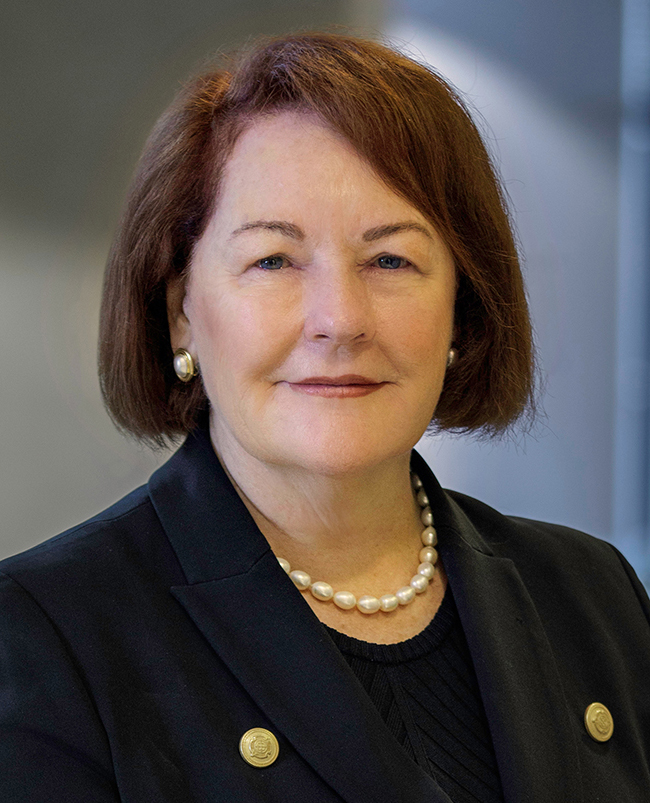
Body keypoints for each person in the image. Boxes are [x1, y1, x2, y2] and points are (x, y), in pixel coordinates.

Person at [1, 32, 649, 803]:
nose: (339, 319)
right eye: (273, 260)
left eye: (391, 260)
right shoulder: (44, 633)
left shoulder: (593, 594)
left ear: (462, 309)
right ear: (181, 314)